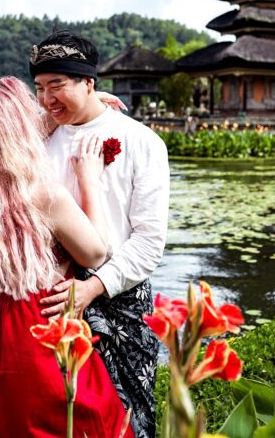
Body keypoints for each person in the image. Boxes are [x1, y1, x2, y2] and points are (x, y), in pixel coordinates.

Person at [0, 77, 131, 437]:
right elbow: (96, 252)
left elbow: (3, 135)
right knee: (80, 423)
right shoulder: (46, 195)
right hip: (43, 319)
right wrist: (89, 180)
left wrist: (76, 105)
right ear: (19, 127)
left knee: (5, 423)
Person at [30, 31, 170, 438]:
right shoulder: (38, 142)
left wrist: (93, 288)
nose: (47, 99)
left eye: (57, 85)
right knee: (59, 420)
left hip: (118, 298)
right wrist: (55, 112)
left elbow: (149, 242)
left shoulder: (142, 142)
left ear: (88, 82)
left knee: (126, 420)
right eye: (39, 88)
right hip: (54, 300)